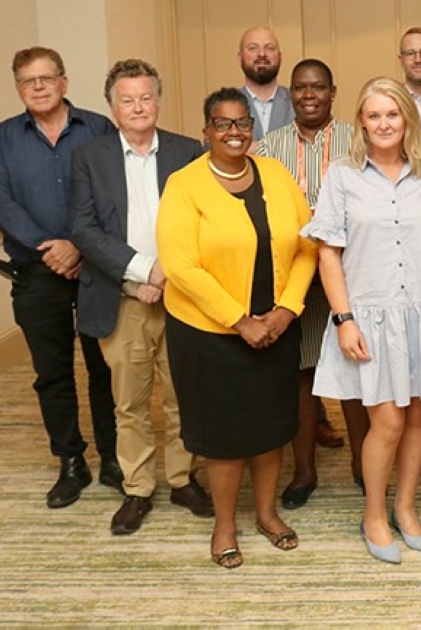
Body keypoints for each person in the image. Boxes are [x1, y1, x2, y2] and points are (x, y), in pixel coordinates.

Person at [304, 76, 421, 565]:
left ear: (407, 120)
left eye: (392, 114)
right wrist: (344, 319)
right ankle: (374, 513)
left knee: (418, 417)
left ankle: (405, 508)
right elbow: (327, 254)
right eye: (373, 115)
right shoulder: (342, 176)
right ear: (362, 122)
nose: (383, 124)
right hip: (368, 317)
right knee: (388, 420)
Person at [157, 88, 316, 569]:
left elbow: (309, 242)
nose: (234, 132)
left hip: (276, 326)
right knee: (224, 438)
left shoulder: (274, 173)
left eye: (242, 123)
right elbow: (180, 266)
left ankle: (267, 514)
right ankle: (224, 525)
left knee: (270, 429)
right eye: (222, 124)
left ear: (253, 128)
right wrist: (239, 320)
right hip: (209, 334)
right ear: (206, 130)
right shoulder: (184, 185)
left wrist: (287, 310)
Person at [70, 59, 213, 534]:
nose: (138, 107)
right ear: (112, 108)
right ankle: (137, 488)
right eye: (127, 100)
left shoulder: (188, 151)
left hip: (182, 296)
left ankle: (181, 478)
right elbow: (84, 231)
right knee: (129, 402)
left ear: (158, 100)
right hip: (122, 295)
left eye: (146, 97)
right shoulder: (90, 157)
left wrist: (170, 274)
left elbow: (204, 222)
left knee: (183, 395)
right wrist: (142, 271)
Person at [0, 46, 120, 508]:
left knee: (104, 366)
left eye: (47, 78)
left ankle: (113, 457)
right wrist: (47, 248)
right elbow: (3, 202)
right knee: (51, 374)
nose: (39, 87)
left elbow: (112, 192)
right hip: (36, 271)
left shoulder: (98, 128)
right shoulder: (5, 139)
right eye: (28, 81)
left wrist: (78, 245)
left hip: (95, 267)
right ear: (18, 88)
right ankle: (71, 460)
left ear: (64, 82)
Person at [255, 59, 369, 508]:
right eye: (300, 88)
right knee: (301, 377)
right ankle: (303, 471)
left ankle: (365, 465)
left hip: (350, 277)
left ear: (332, 92)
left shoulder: (355, 143)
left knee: (356, 375)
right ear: (291, 94)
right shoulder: (267, 148)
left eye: (318, 88)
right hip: (293, 281)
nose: (309, 95)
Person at [238, 26, 293, 141]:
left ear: (280, 57)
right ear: (240, 57)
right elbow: (214, 149)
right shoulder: (226, 104)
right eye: (253, 48)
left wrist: (251, 148)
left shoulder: (297, 102)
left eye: (270, 48)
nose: (262, 54)